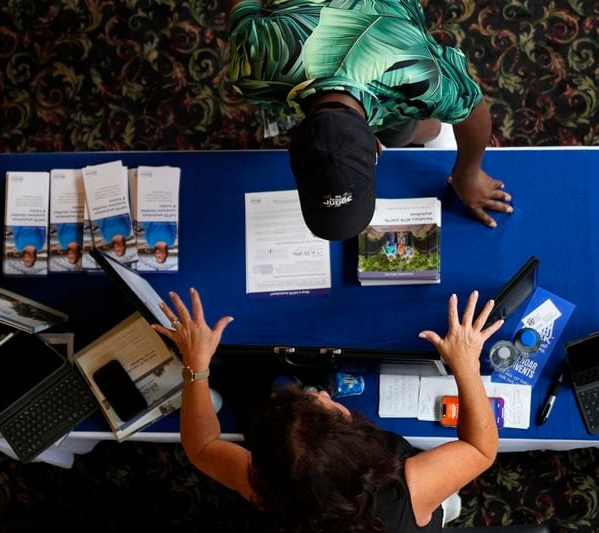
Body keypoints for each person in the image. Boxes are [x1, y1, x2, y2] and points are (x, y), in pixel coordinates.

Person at [153, 288, 502, 531]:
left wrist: (196, 364)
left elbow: (201, 447)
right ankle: (443, 507)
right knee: (438, 501)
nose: (320, 392)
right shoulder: (405, 491)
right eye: (327, 404)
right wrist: (467, 364)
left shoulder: (267, 489)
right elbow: (480, 449)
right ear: (358, 445)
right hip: (408, 516)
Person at [228, 0, 514, 240]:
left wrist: (468, 174)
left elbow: (473, 105)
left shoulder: (420, 76)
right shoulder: (253, 64)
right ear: (376, 149)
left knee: (415, 132)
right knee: (405, 132)